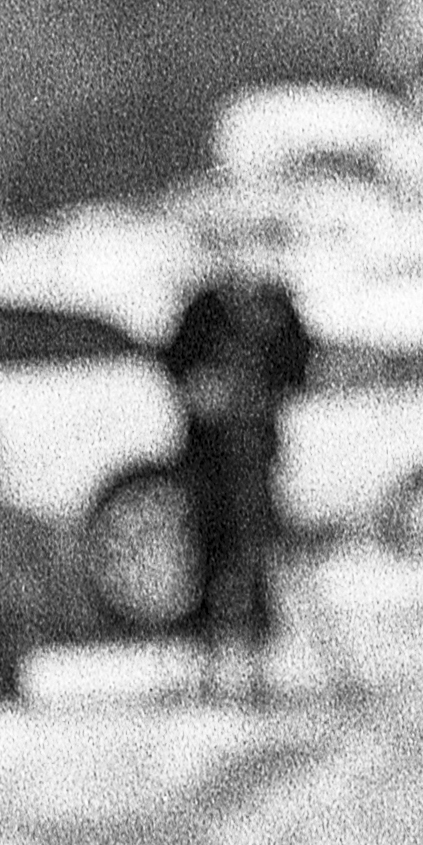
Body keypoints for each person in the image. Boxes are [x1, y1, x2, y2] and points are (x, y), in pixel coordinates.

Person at [161, 254, 315, 690]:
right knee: (211, 547)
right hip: (209, 451)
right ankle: (208, 662)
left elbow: (298, 367)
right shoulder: (204, 307)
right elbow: (175, 362)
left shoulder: (277, 304)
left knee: (256, 549)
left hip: (254, 450)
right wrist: (201, 387)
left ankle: (257, 662)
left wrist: (265, 389)